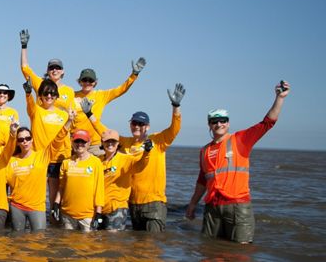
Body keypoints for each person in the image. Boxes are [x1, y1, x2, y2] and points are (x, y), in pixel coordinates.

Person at [185, 81, 289, 244]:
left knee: (240, 252)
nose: (219, 124)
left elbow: (267, 123)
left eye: (223, 120)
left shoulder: (241, 139)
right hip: (212, 208)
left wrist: (279, 98)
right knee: (209, 250)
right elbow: (202, 181)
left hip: (237, 206)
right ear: (209, 125)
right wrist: (192, 205)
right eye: (214, 121)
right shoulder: (204, 151)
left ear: (228, 123)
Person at [121, 84, 185, 232]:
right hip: (133, 203)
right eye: (134, 123)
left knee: (152, 247)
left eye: (141, 124)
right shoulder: (126, 142)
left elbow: (174, 129)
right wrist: (90, 115)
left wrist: (176, 106)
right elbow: (105, 133)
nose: (137, 126)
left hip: (154, 204)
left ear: (147, 126)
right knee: (136, 246)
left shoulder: (158, 140)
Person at [8, 90, 73, 232]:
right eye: (21, 140)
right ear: (17, 143)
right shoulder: (11, 160)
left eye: (27, 139)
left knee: (38, 242)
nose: (24, 142)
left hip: (36, 208)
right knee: (16, 242)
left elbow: (57, 141)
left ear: (32, 140)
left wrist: (68, 122)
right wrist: (12, 135)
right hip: (16, 206)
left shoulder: (42, 156)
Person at [88, 126, 151, 231]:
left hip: (117, 208)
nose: (110, 144)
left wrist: (147, 152)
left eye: (113, 141)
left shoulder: (126, 159)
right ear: (102, 143)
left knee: (113, 243)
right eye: (107, 141)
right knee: (97, 242)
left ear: (118, 144)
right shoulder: (97, 161)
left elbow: (140, 166)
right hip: (99, 208)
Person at [72, 61, 144, 151]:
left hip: (95, 144)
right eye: (84, 80)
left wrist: (134, 75)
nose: (87, 83)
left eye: (90, 80)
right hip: (76, 142)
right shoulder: (72, 95)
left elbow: (121, 90)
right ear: (79, 82)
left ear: (95, 82)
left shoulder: (101, 95)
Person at [22, 78, 69, 218]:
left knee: (55, 197)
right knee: (37, 194)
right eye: (46, 93)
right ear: (40, 95)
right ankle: (36, 224)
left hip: (58, 160)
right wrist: (28, 93)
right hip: (40, 158)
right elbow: (30, 104)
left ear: (56, 96)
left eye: (52, 94)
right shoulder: (36, 111)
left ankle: (54, 226)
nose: (49, 96)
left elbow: (65, 138)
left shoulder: (64, 115)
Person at [55, 130, 106, 232]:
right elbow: (61, 187)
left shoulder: (96, 163)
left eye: (83, 142)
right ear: (72, 142)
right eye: (77, 141)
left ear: (89, 143)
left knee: (87, 246)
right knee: (67, 246)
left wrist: (99, 213)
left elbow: (99, 189)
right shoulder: (66, 162)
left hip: (87, 216)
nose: (80, 144)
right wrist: (56, 204)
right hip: (67, 214)